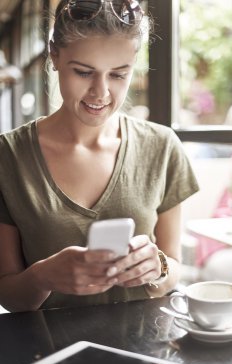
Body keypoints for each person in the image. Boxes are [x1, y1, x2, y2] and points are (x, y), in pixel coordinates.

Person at [0, 0, 199, 312]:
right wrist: (43, 276)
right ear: (55, 56)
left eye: (119, 75)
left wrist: (157, 266)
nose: (100, 92)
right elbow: (8, 295)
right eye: (83, 72)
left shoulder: (162, 147)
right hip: (47, 354)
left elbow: (172, 268)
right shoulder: (8, 156)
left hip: (143, 353)